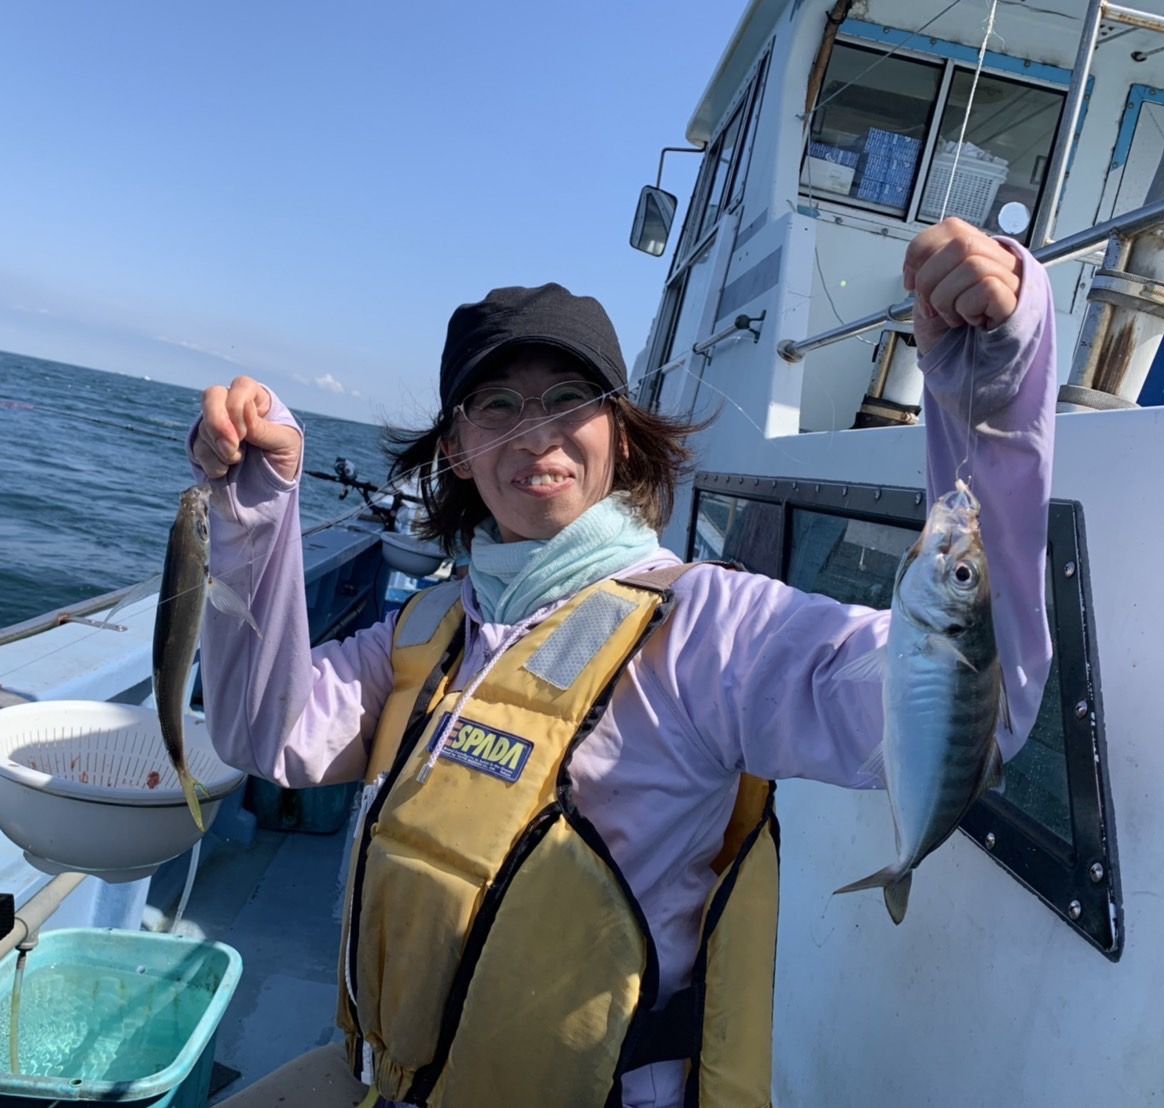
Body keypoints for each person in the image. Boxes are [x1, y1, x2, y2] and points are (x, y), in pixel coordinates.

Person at [191, 217, 1055, 1108]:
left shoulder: (710, 628)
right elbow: (267, 734)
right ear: (455, 448)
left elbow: (981, 709)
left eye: (571, 398)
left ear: (623, 435)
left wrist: (990, 387)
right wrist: (255, 509)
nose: (537, 436)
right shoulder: (429, 628)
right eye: (496, 405)